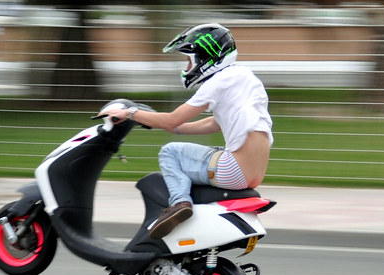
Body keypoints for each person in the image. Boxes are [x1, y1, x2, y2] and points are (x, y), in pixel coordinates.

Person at [100, 23, 273, 239]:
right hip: (255, 172)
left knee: (170, 152)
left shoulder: (217, 82)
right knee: (191, 151)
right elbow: (215, 123)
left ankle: (179, 204)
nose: (187, 66)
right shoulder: (245, 76)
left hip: (233, 170)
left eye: (189, 60)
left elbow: (171, 120)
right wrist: (172, 127)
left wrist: (130, 113)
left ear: (204, 57)